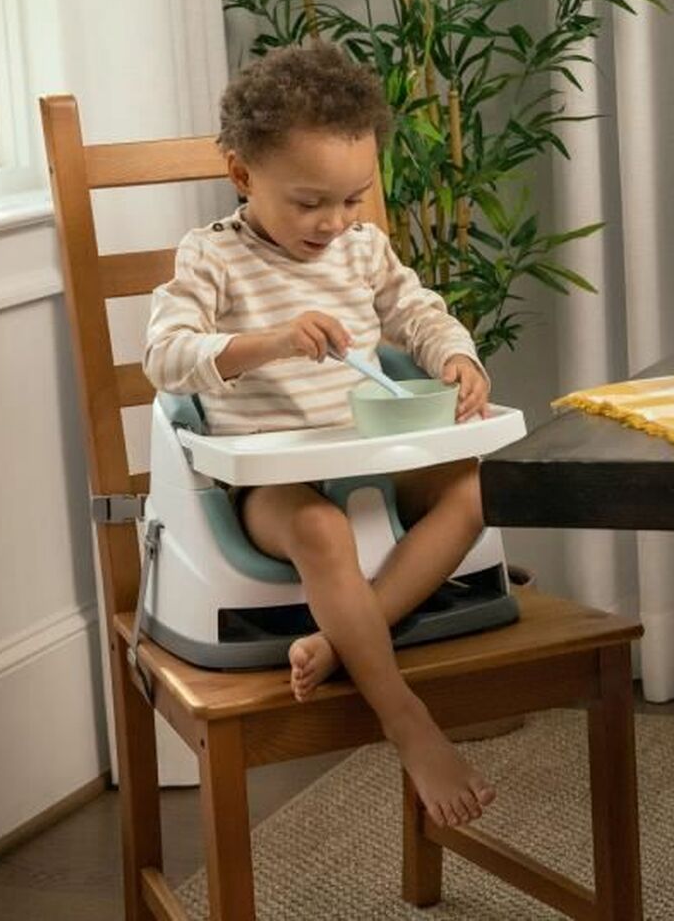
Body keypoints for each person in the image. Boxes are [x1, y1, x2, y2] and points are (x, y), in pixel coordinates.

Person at [144, 41, 494, 828]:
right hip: (271, 482)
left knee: (472, 491)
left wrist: (456, 359)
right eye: (309, 203)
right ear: (242, 175)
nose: (334, 222)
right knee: (322, 528)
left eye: (353, 198)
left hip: (363, 449)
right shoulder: (214, 257)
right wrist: (267, 341)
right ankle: (405, 717)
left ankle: (339, 643)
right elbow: (164, 358)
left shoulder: (362, 248)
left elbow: (417, 313)